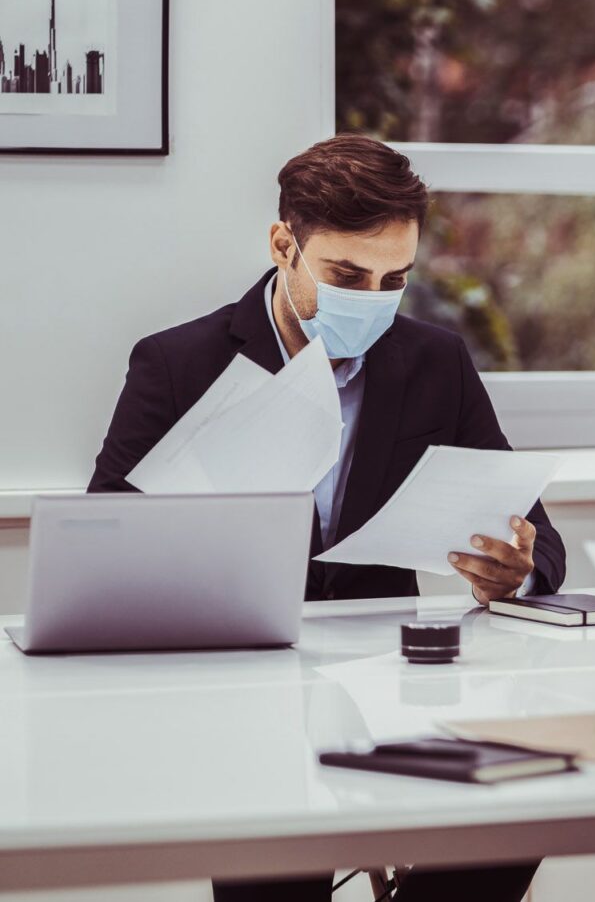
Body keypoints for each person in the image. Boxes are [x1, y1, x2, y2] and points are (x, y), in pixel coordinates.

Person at [88, 133, 561, 902]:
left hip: (397, 689)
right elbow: (101, 544)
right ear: (284, 245)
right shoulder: (179, 364)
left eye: (394, 280)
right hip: (242, 699)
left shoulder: (432, 361)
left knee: (526, 810)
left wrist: (517, 567)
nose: (372, 299)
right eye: (347, 275)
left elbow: (537, 538)